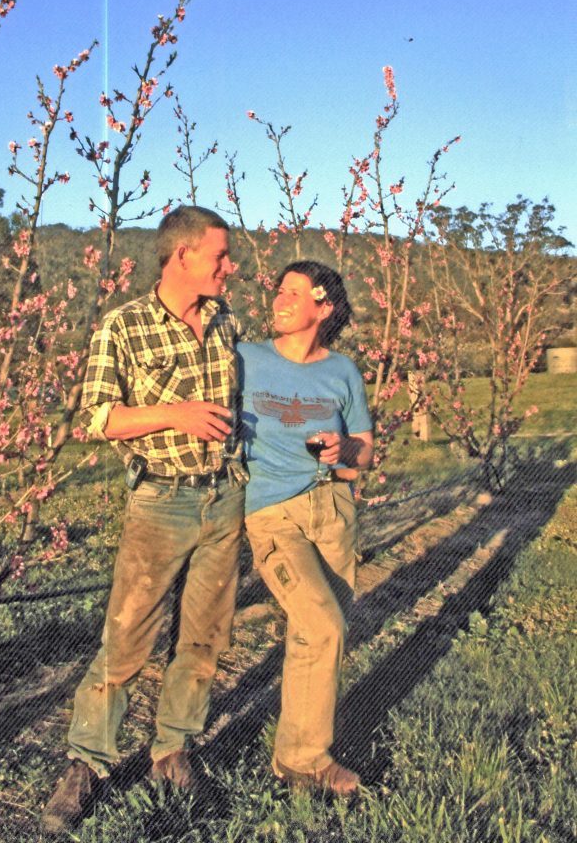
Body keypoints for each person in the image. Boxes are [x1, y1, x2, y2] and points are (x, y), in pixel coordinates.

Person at [42, 206, 245, 835]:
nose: (229, 267)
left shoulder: (226, 321)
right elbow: (98, 419)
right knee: (126, 639)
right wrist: (175, 414)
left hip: (225, 498)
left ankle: (173, 749)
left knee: (204, 639)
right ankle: (88, 761)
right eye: (220, 256)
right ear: (181, 255)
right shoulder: (122, 326)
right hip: (161, 500)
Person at [238, 260, 373, 797]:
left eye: (294, 292)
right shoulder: (245, 360)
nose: (279, 299)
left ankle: (293, 757)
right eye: (278, 290)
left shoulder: (342, 371)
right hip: (273, 515)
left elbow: (365, 451)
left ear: (325, 306)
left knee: (316, 634)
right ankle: (306, 758)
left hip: (334, 511)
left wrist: (347, 450)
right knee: (323, 627)